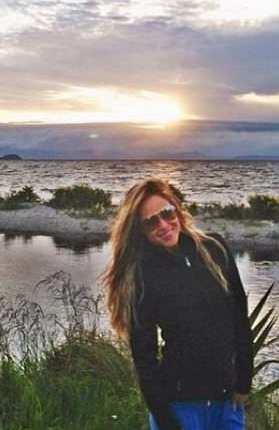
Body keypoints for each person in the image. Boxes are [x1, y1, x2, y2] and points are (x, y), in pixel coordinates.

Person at [102, 178, 253, 430]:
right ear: (139, 230)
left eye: (166, 213)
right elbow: (144, 356)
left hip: (227, 402)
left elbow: (239, 316)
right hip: (179, 406)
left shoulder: (215, 249)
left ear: (176, 208)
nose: (163, 224)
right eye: (150, 222)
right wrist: (164, 419)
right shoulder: (141, 275)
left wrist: (244, 381)